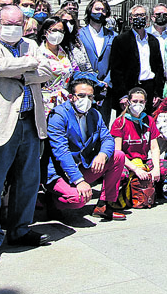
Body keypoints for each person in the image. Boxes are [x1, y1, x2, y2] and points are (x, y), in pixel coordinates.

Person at [0, 4, 54, 263]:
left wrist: (19, 71)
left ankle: (20, 229)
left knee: (28, 180)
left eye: (18, 23)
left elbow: (48, 71)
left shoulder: (31, 44)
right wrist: (29, 68)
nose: (13, 28)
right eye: (8, 23)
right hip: (0, 122)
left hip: (30, 121)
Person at [45, 72, 128, 220]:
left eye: (90, 97)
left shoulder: (94, 114)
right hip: (60, 171)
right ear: (71, 97)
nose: (86, 100)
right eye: (81, 96)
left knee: (117, 156)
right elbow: (61, 152)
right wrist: (79, 181)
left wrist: (103, 155)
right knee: (78, 199)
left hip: (81, 165)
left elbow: (108, 139)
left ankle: (104, 204)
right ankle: (51, 200)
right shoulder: (58, 116)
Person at [111, 87, 167, 203]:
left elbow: (155, 148)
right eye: (135, 101)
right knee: (121, 175)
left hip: (143, 162)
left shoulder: (148, 120)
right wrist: (135, 169)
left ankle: (153, 189)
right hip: (126, 162)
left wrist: (155, 169)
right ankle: (123, 194)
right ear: (128, 102)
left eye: (141, 102)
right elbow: (117, 152)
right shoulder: (120, 122)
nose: (138, 105)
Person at [109, 5, 167, 111]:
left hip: (149, 89)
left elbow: (159, 68)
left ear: (147, 18)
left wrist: (157, 93)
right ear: (130, 19)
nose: (139, 18)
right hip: (129, 89)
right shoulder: (121, 40)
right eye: (136, 15)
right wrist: (122, 95)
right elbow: (116, 70)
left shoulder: (153, 40)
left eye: (142, 15)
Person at [77, 0, 114, 109]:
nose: (100, 12)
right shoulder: (79, 34)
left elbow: (116, 62)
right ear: (90, 10)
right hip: (83, 87)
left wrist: (106, 83)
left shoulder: (113, 36)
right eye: (97, 9)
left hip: (105, 90)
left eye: (103, 10)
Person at [36, 17, 76, 114]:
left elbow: (75, 70)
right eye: (54, 30)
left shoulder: (66, 52)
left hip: (65, 100)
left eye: (61, 31)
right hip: (45, 102)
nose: (57, 34)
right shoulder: (38, 52)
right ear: (45, 32)